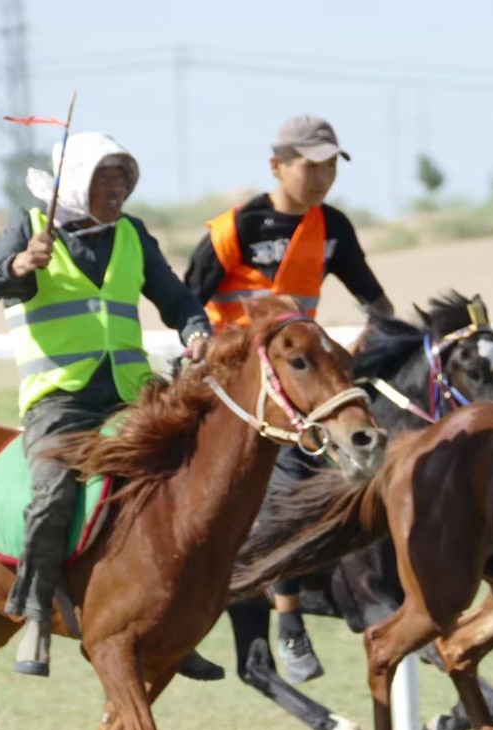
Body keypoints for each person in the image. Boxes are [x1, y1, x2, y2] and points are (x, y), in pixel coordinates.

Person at [0, 131, 222, 680]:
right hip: (59, 401)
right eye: (105, 178)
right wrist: (16, 266)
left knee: (189, 478)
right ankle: (34, 612)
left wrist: (197, 329)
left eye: (123, 178)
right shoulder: (30, 227)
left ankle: (175, 621)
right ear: (76, 181)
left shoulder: (131, 234)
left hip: (131, 394)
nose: (117, 189)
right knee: (54, 491)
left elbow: (176, 299)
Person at [183, 114, 392, 683]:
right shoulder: (236, 228)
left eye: (330, 164)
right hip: (236, 387)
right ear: (277, 166)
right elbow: (188, 301)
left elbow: (375, 300)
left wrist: (376, 344)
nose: (322, 175)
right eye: (310, 164)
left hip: (299, 382)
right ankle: (287, 621)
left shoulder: (333, 227)